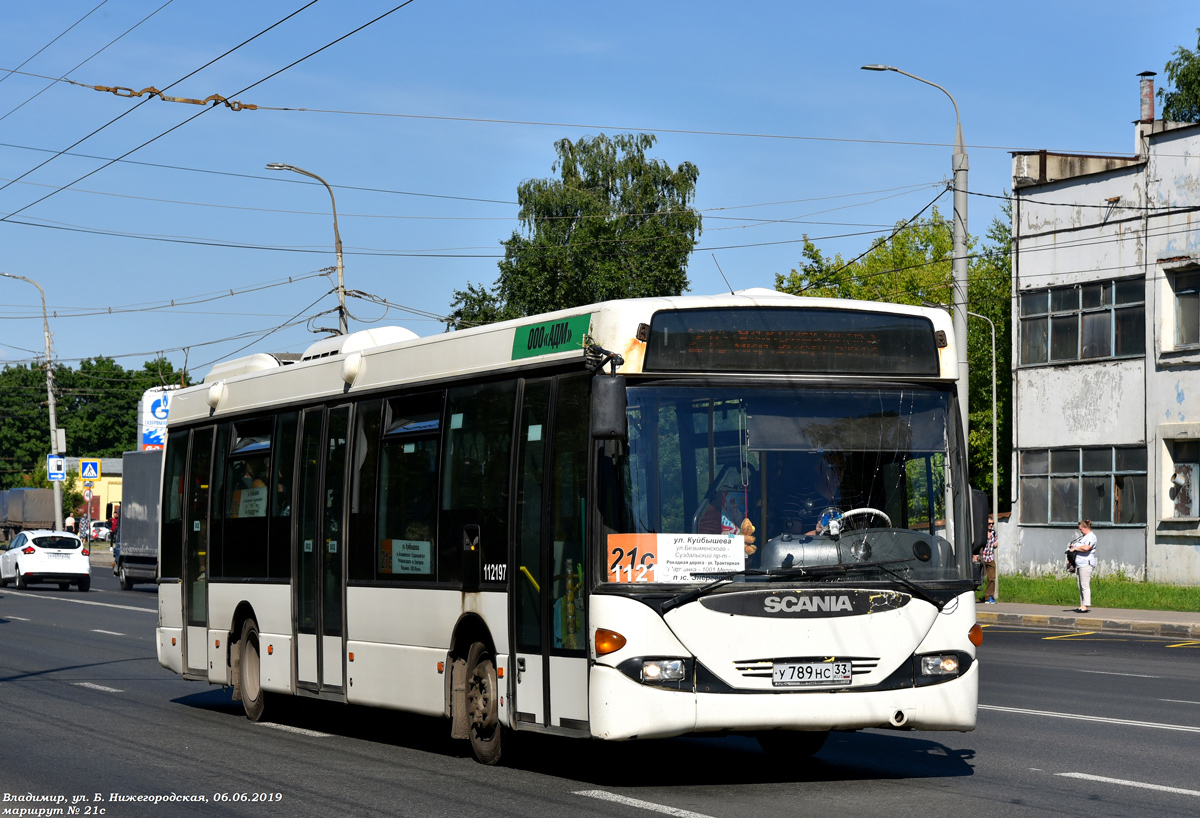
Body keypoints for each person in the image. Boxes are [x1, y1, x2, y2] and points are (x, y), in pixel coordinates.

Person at [1068, 519, 1097, 613]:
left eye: (1081, 529)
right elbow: (1077, 548)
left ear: (1086, 528)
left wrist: (1075, 548)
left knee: (1085, 585)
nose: (1080, 530)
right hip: (1079, 564)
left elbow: (1086, 548)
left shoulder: (1091, 537)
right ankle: (1082, 605)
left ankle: (1085, 606)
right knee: (1080, 585)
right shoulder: (1083, 537)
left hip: (1086, 564)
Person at [974, 514, 998, 603]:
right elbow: (976, 545)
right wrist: (975, 556)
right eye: (989, 524)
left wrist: (995, 544)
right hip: (982, 558)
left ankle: (989, 597)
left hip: (990, 558)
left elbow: (996, 542)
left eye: (992, 524)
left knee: (992, 578)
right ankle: (971, 595)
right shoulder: (981, 533)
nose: (991, 525)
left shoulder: (994, 533)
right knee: (979, 578)